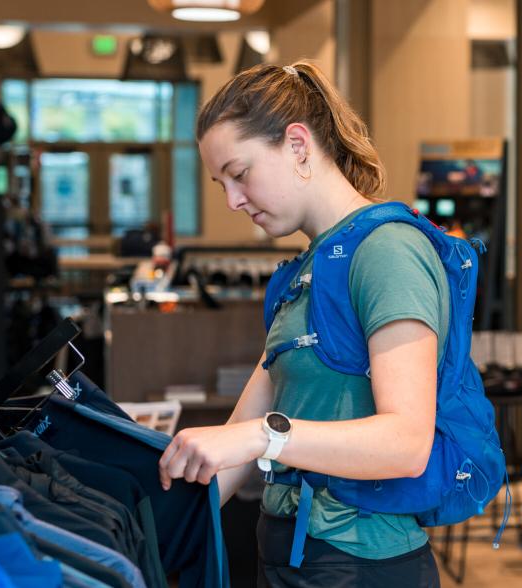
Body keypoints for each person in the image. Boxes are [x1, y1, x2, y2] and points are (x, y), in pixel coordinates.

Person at [157, 61, 444, 586]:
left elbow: (408, 443)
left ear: (297, 144)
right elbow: (237, 443)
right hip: (290, 553)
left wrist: (260, 439)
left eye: (240, 174)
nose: (233, 201)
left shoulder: (389, 252)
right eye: (221, 183)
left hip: (362, 564)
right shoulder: (307, 270)